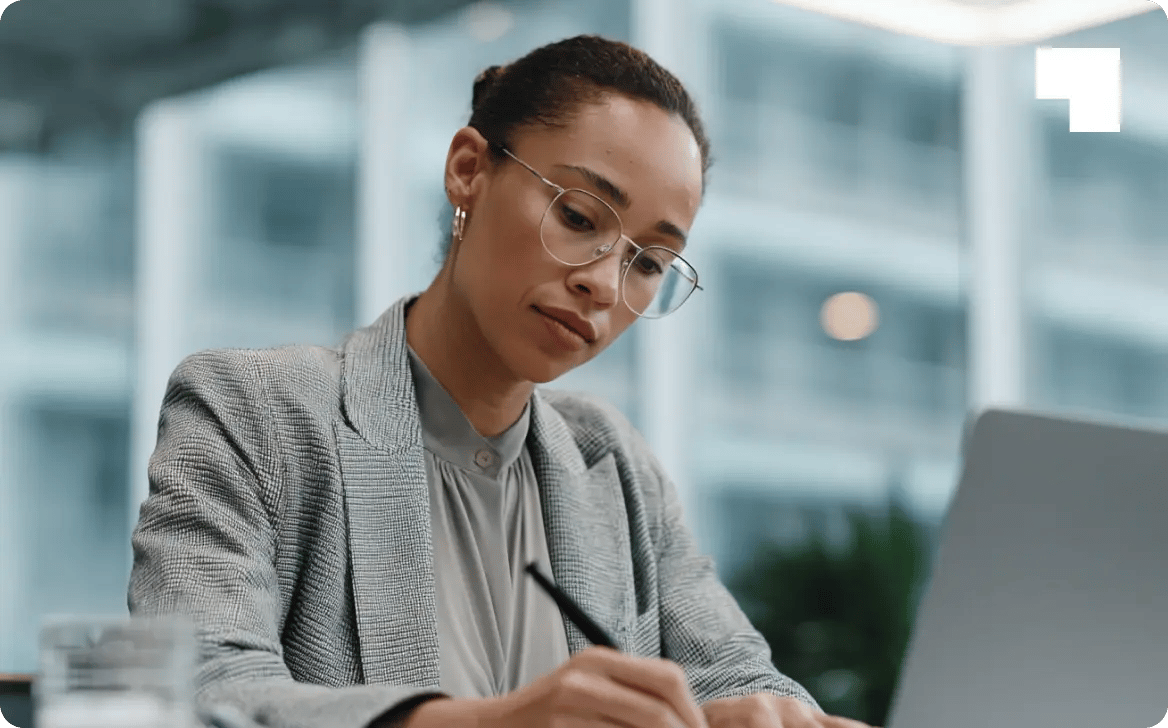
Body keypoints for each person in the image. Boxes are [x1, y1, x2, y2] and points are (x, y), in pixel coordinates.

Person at [128, 34, 877, 728]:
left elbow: (739, 675)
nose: (605, 287)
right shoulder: (251, 411)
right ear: (468, 170)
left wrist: (772, 715)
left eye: (647, 263)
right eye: (580, 216)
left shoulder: (614, 466)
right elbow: (200, 691)